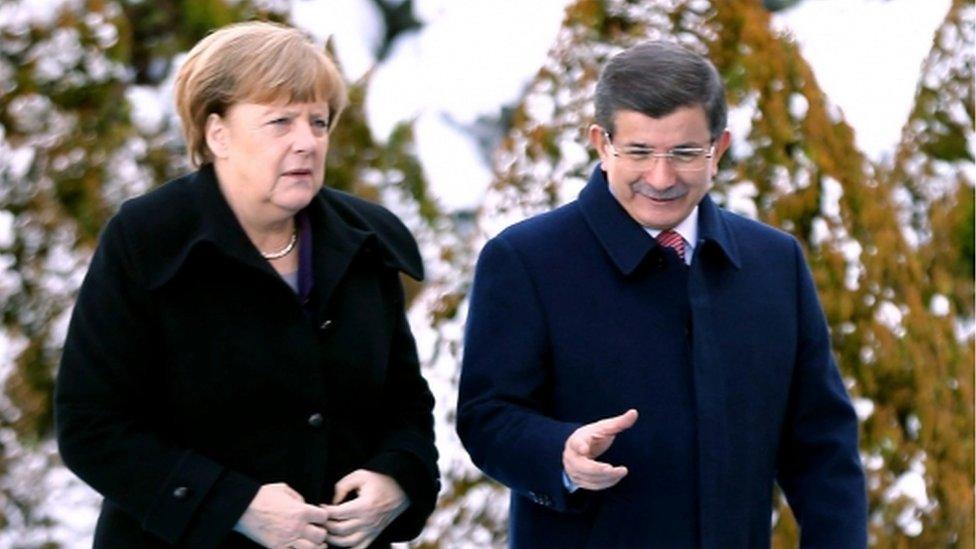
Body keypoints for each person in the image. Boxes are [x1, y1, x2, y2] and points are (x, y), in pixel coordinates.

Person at [457, 41, 866, 547]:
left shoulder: (775, 262)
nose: (661, 177)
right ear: (602, 144)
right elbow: (486, 417)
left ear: (719, 148)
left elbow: (822, 447)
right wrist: (559, 452)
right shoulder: (524, 260)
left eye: (685, 153)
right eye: (639, 151)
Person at [55, 21, 438, 549]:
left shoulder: (366, 242)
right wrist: (231, 506)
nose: (307, 142)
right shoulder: (147, 240)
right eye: (279, 122)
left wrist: (398, 479)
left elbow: (405, 403)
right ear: (218, 134)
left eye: (318, 122)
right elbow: (91, 427)